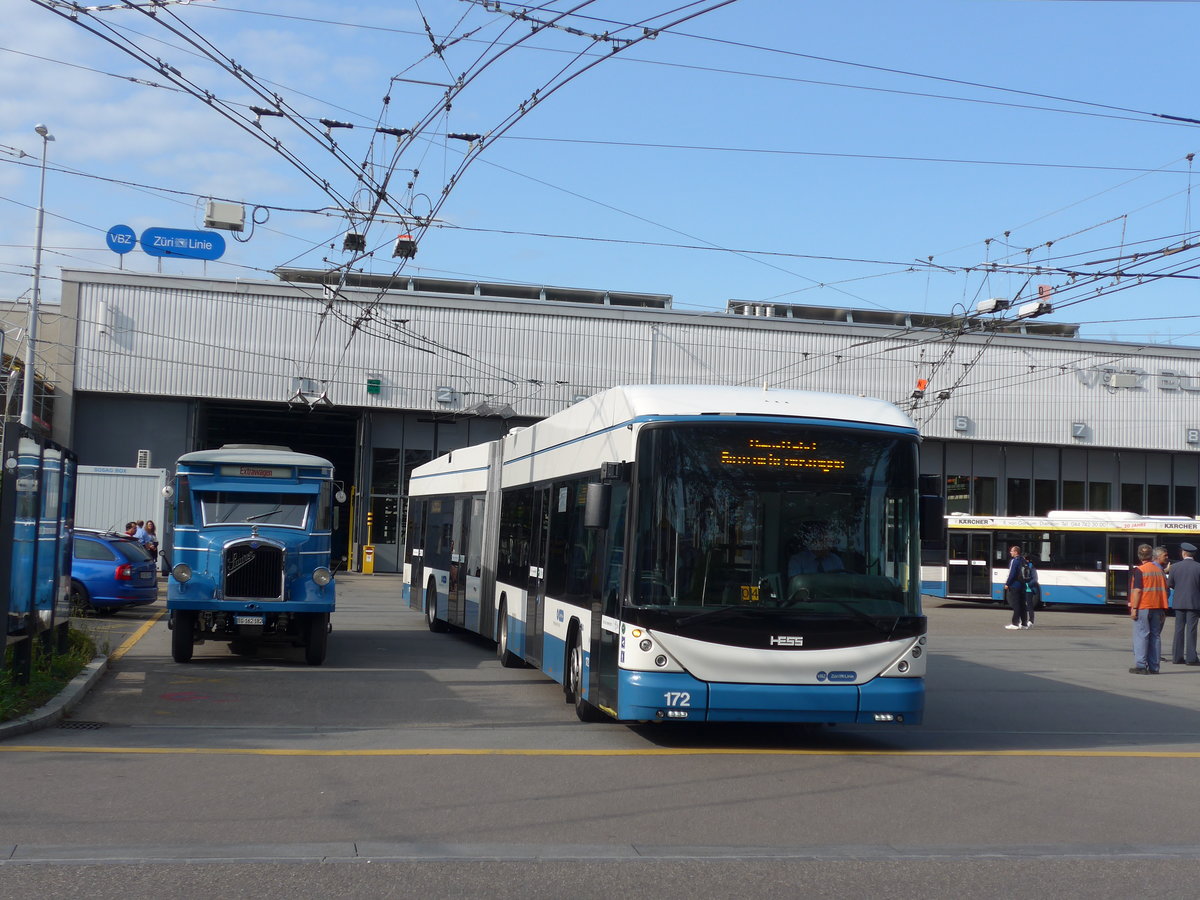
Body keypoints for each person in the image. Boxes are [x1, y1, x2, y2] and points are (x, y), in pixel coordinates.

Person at [1129, 543, 1170, 674]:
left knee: (1142, 635)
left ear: (1139, 556)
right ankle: (1154, 667)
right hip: (1158, 607)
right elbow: (1166, 591)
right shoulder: (1160, 571)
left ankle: (1141, 665)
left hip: (1143, 607)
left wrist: (1134, 608)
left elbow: (1137, 591)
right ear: (1151, 555)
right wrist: (1164, 609)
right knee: (1155, 637)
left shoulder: (1140, 570)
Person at [1169, 541, 1200, 666]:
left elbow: (1170, 584)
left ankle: (1177, 657)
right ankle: (1191, 658)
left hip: (1179, 603)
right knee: (1191, 630)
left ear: (1183, 553)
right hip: (1194, 603)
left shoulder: (1175, 567)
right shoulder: (1198, 567)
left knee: (1178, 630)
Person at [1003, 545, 1028, 630]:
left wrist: (1007, 584)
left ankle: (1015, 623)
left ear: (1016, 552)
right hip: (1022, 585)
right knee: (1022, 604)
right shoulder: (1023, 560)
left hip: (1015, 585)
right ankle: (1024, 623)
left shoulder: (1014, 561)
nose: (1010, 552)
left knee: (1016, 604)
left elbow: (1012, 574)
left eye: (1011, 551)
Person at [1022, 552, 1040, 629]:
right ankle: (1024, 621)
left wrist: (1027, 584)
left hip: (1029, 588)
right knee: (1022, 605)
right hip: (1022, 588)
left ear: (1028, 560)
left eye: (1024, 560)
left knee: (1029, 605)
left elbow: (1035, 579)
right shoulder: (1022, 567)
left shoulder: (1032, 567)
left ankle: (1031, 621)